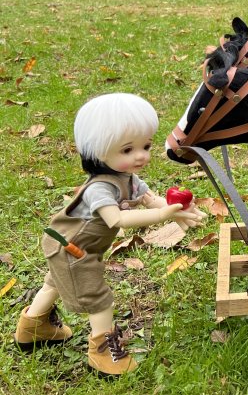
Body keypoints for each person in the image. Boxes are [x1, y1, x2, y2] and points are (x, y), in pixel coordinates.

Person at [14, 93, 206, 375]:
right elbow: (118, 219)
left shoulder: (128, 178)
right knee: (98, 297)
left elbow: (151, 201)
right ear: (97, 151)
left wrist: (175, 208)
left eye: (146, 145)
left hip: (73, 244)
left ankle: (33, 328)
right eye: (127, 150)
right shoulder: (99, 189)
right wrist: (163, 215)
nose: (140, 155)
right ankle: (102, 352)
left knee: (54, 282)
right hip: (72, 247)